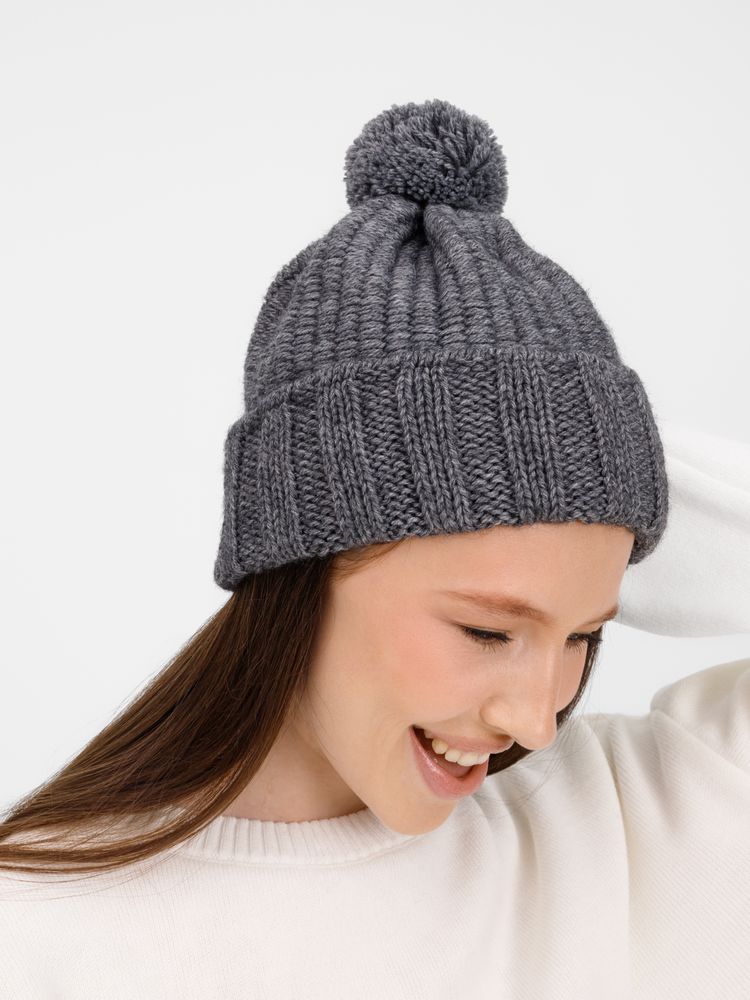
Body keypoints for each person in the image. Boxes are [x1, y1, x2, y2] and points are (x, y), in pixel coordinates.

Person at [1, 98, 748, 999]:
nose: (537, 723)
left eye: (585, 636)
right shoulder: (36, 933)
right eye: (487, 631)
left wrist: (603, 473)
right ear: (299, 564)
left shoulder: (645, 823)